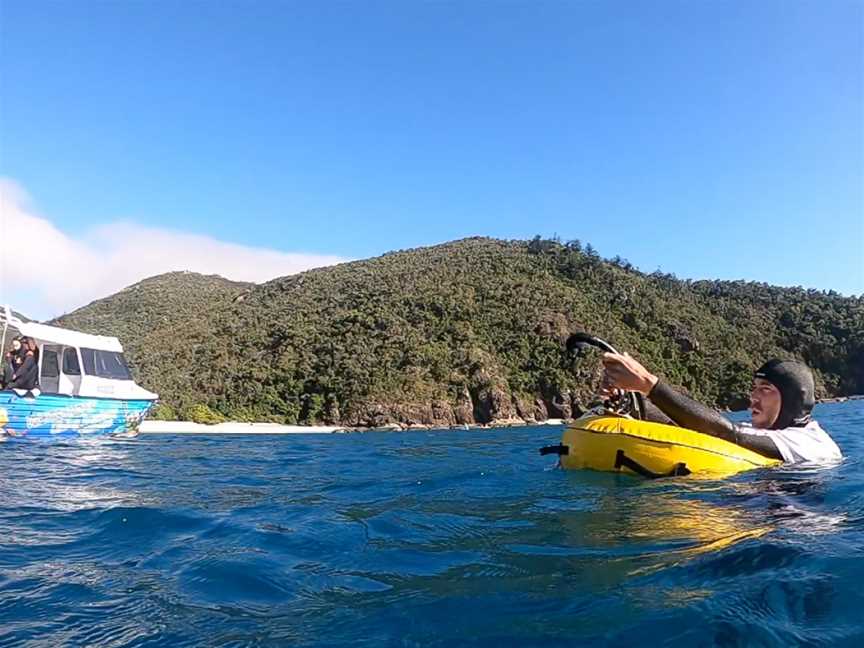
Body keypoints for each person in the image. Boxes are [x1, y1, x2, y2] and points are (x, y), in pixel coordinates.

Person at [601, 352, 842, 465]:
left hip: (794, 543)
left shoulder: (812, 443)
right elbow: (685, 428)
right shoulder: (760, 431)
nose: (753, 398)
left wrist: (649, 385)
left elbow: (725, 433)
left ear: (793, 399)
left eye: (765, 389)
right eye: (754, 388)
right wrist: (633, 401)